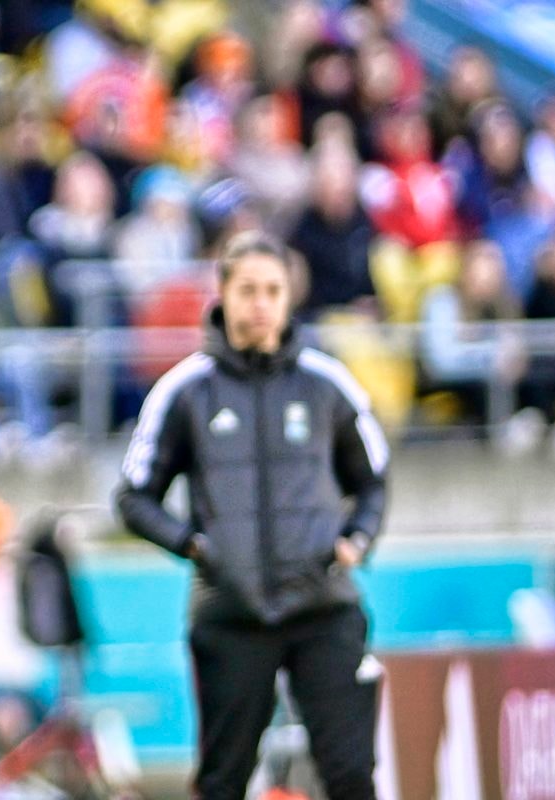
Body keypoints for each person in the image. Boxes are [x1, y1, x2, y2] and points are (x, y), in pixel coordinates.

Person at [115, 231, 389, 800]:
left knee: (350, 775)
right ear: (223, 294)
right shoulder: (184, 389)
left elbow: (373, 480)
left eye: (272, 291)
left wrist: (357, 539)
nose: (261, 304)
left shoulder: (327, 382)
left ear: (290, 296)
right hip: (231, 615)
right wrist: (195, 546)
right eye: (248, 290)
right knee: (223, 782)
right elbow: (134, 497)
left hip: (323, 609)